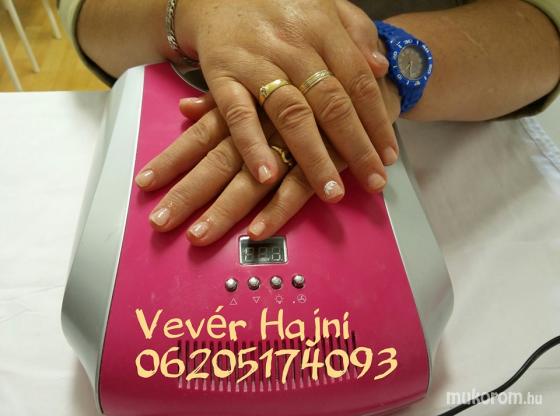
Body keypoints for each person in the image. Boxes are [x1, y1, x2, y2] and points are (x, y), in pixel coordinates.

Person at [59, 0, 560, 245]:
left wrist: (374, 68)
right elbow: (87, 16)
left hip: (459, 174)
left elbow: (544, 30)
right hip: (187, 115)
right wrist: (193, 10)